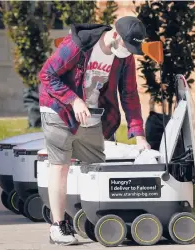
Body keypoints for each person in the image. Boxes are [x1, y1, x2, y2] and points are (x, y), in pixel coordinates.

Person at [38, 16, 151, 245]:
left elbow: (129, 94)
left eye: (132, 49)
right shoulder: (78, 45)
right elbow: (46, 75)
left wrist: (139, 136)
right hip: (59, 108)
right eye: (127, 46)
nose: (128, 52)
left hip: (92, 114)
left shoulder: (125, 57)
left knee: (96, 166)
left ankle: (86, 217)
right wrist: (74, 100)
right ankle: (58, 226)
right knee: (61, 165)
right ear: (115, 35)